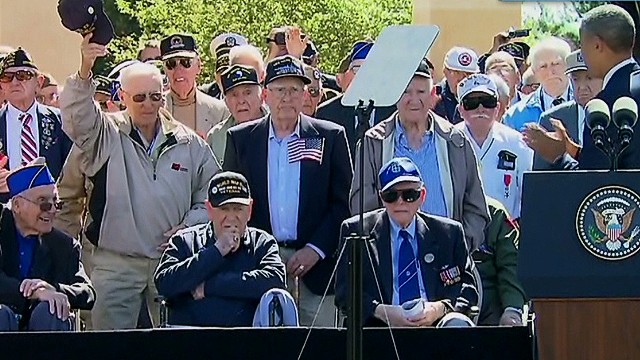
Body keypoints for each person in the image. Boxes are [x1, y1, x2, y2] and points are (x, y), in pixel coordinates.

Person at [59, 34, 220, 330]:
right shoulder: (104, 134)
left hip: (173, 262)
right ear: (122, 97)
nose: (148, 104)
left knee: (175, 347)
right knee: (110, 349)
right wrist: (85, 69)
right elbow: (77, 118)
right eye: (139, 97)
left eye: (155, 96)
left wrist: (190, 226)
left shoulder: (187, 141)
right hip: (114, 265)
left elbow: (211, 195)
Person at [223, 55, 352, 326]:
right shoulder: (242, 140)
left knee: (318, 348)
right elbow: (231, 206)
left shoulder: (329, 136)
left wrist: (316, 249)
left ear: (305, 94)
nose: (287, 97)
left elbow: (343, 203)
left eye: (295, 90)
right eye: (280, 90)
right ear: (266, 94)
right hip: (258, 264)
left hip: (316, 267)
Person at [350, 59, 489, 251]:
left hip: (447, 258)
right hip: (391, 257)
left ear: (433, 95)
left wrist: (460, 247)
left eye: (421, 92)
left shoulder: (456, 141)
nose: (413, 99)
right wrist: (380, 249)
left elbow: (476, 207)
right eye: (406, 91)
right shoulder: (374, 142)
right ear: (395, 96)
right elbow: (361, 207)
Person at [335, 157, 477, 328]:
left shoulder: (448, 233)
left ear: (422, 196)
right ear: (381, 197)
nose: (400, 202)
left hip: (435, 327)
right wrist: (382, 311)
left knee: (458, 325)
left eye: (410, 195)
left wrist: (440, 308)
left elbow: (467, 288)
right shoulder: (356, 231)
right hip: (379, 329)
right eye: (391, 196)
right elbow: (344, 293)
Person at [154, 171, 287, 326]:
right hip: (190, 340)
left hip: (248, 342)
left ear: (249, 210)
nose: (231, 217)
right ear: (209, 209)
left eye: (238, 209)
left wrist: (210, 286)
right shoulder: (185, 240)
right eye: (224, 209)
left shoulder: (262, 242)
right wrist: (216, 251)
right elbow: (164, 282)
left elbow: (275, 281)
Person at [0, 158, 95, 331]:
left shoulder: (64, 245)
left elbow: (87, 292)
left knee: (52, 310)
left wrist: (53, 289)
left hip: (41, 325)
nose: (51, 210)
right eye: (43, 203)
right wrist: (33, 293)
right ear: (17, 205)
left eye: (55, 203)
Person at [554, 4, 640, 170]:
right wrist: (576, 151)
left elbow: (597, 184)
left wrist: (559, 157)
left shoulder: (604, 106)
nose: (582, 53)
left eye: (582, 44)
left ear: (596, 45)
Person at [454, 74, 532, 220]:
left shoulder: (516, 142)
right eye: (472, 103)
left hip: (506, 232)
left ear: (497, 107)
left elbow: (528, 194)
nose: (480, 109)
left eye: (487, 102)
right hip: (462, 231)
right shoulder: (449, 141)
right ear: (461, 109)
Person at [0, 48, 72, 196]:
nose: (14, 82)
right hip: (5, 212)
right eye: (7, 77)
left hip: (51, 211)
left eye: (22, 75)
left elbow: (73, 173)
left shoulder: (60, 120)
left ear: (38, 83)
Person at [315, 40, 397, 157]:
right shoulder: (328, 112)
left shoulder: (394, 111)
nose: (363, 77)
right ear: (347, 73)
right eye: (357, 69)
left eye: (371, 70)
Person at [526, 50, 602, 170]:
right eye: (576, 79)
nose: (582, 87)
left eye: (589, 78)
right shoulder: (551, 119)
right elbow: (540, 177)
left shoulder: (617, 115)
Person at [161, 33, 229, 138]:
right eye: (171, 64)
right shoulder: (155, 110)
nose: (179, 70)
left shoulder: (220, 111)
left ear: (198, 66)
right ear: (164, 69)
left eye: (186, 62)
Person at [474, 197, 527, 326]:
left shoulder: (494, 213)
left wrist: (512, 309)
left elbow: (511, 263)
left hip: (490, 310)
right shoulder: (427, 212)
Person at [503, 37, 574, 132]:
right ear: (534, 72)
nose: (550, 72)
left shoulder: (584, 104)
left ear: (568, 65)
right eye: (543, 66)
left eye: (556, 64)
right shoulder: (515, 116)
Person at [206, 64, 267, 163]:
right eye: (234, 95)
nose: (241, 101)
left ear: (262, 96)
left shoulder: (279, 128)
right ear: (226, 102)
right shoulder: (216, 137)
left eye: (247, 93)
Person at [433, 46, 480, 124]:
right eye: (456, 72)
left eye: (468, 74)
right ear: (445, 71)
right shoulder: (434, 97)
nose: (461, 79)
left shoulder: (482, 98)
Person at [199, 33, 248, 99]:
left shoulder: (255, 95)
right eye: (223, 71)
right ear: (216, 77)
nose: (229, 77)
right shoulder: (204, 96)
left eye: (234, 71)